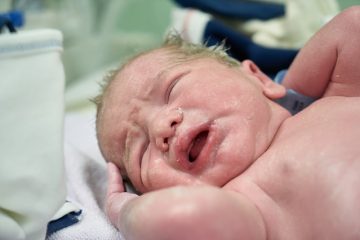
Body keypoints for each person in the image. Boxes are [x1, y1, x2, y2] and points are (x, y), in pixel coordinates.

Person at [94, 6, 360, 240]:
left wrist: (292, 88)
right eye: (140, 154)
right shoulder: (249, 206)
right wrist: (123, 209)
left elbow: (353, 26)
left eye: (172, 88)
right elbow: (170, 219)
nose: (160, 128)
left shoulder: (336, 98)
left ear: (258, 77)